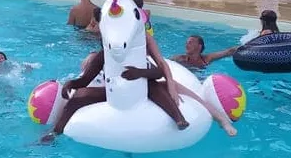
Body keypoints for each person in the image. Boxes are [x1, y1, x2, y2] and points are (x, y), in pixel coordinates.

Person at [48, 48, 189, 137]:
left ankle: (178, 118)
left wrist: (139, 73)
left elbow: (158, 73)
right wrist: (72, 84)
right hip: (113, 93)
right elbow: (86, 79)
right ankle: (56, 132)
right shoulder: (104, 55)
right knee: (79, 96)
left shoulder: (135, 55)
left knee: (154, 86)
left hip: (139, 91)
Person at [172, 35, 238, 69]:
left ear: (199, 46)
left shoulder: (207, 59)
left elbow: (229, 52)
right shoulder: (178, 58)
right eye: (186, 43)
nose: (186, 45)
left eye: (190, 43)